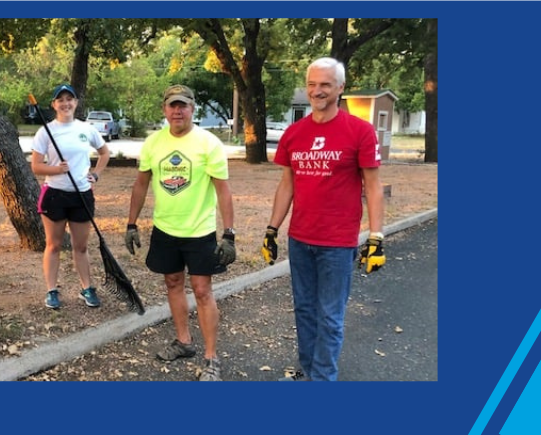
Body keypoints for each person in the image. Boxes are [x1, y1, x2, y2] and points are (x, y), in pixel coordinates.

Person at [264, 57, 387, 382]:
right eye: (312, 84)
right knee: (304, 311)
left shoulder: (360, 131)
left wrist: (376, 237)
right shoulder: (294, 133)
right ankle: (308, 370)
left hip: (337, 242)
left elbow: (373, 187)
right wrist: (272, 229)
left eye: (325, 85)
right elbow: (287, 184)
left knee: (330, 316)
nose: (317, 91)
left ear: (340, 88)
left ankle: (323, 380)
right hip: (300, 238)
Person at [126, 84, 236, 381]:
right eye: (172, 105)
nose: (177, 110)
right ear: (164, 109)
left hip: (199, 231)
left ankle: (211, 358)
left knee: (202, 291)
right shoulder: (153, 143)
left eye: (183, 105)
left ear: (192, 109)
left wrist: (229, 233)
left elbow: (223, 190)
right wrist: (131, 223)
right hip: (165, 228)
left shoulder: (208, 143)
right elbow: (141, 183)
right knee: (173, 283)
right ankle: (184, 341)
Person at [31, 84, 110, 309]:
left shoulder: (86, 129)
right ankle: (52, 291)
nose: (65, 103)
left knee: (81, 246)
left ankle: (86, 288)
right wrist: (57, 169)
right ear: (54, 105)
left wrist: (96, 174)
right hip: (54, 195)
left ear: (76, 103)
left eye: (70, 99)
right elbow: (36, 166)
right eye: (60, 100)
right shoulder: (45, 132)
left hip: (81, 195)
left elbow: (104, 153)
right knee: (54, 245)